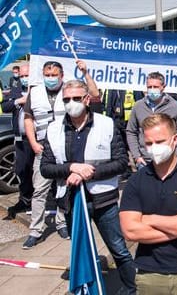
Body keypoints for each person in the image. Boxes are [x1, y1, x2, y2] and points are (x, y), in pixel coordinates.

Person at [40, 79, 136, 293]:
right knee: (82, 251)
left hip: (104, 201)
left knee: (119, 250)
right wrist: (71, 168)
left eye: (75, 98)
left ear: (86, 99)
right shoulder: (54, 128)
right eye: (66, 99)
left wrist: (89, 172)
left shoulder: (106, 124)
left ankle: (132, 289)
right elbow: (45, 168)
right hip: (72, 202)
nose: (70, 103)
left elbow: (121, 162)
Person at [119, 113, 177, 294]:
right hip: (149, 273)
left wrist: (149, 219)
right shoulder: (135, 182)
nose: (154, 148)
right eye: (148, 143)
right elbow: (130, 231)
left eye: (160, 141)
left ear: (175, 139)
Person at [22, 60, 99, 249]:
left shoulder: (70, 91)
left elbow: (95, 96)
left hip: (64, 146)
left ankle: (61, 223)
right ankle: (35, 231)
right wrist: (33, 143)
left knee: (63, 188)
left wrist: (86, 73)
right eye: (47, 75)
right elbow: (28, 118)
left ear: (61, 75)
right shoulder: (36, 92)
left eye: (54, 75)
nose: (50, 78)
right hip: (42, 147)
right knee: (39, 189)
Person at [126, 71, 177, 169]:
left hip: (168, 161)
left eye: (155, 87)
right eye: (149, 87)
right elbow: (131, 131)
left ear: (163, 87)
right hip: (144, 162)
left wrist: (176, 156)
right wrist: (137, 156)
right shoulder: (138, 106)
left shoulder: (175, 106)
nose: (152, 90)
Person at [1, 64, 33, 218]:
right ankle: (25, 199)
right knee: (21, 169)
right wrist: (18, 100)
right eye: (22, 76)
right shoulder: (14, 90)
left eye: (27, 75)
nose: (24, 78)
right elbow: (5, 106)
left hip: (37, 138)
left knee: (39, 171)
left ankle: (45, 201)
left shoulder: (39, 90)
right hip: (20, 139)